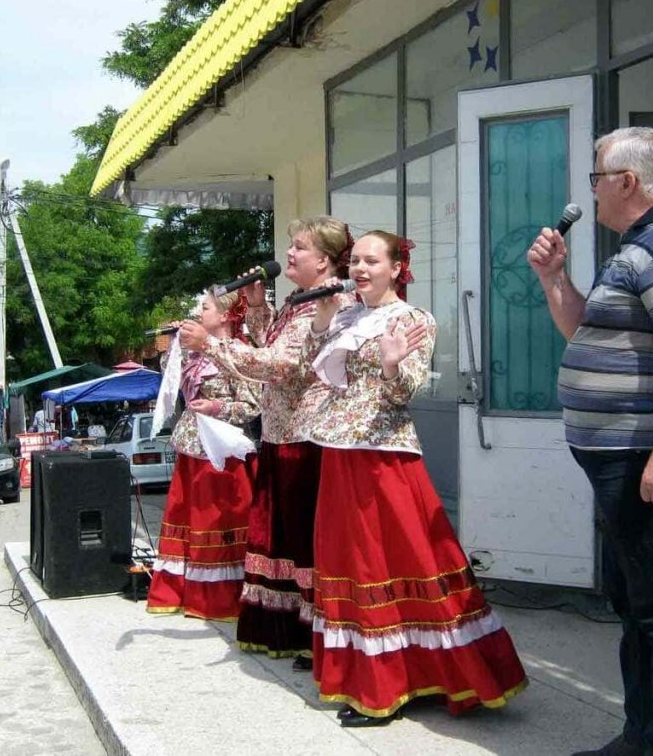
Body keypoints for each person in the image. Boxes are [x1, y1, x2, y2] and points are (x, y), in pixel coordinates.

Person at [527, 127, 653, 756]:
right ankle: (640, 740)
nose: (591, 191)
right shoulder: (634, 247)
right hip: (622, 461)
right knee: (637, 604)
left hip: (649, 460)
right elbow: (583, 329)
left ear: (627, 183)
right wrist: (554, 279)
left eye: (596, 177)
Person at [305, 231, 528, 727]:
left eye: (371, 261)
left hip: (383, 453)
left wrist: (389, 363)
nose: (360, 269)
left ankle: (402, 681)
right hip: (341, 450)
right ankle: (377, 677)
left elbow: (406, 389)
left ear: (395, 268)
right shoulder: (345, 315)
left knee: (394, 558)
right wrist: (323, 318)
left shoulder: (413, 319)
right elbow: (311, 372)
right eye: (355, 261)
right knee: (349, 561)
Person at [179, 216, 355, 668]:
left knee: (304, 543)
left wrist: (212, 344)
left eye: (299, 247)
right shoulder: (298, 301)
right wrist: (258, 309)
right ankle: (296, 630)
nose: (289, 254)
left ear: (325, 260)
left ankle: (315, 633)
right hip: (282, 433)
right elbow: (271, 348)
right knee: (284, 541)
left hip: (307, 438)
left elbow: (281, 366)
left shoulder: (333, 301)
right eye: (291, 246)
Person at [146, 290, 262, 620]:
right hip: (192, 447)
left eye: (205, 307)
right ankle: (182, 592)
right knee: (188, 517)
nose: (199, 312)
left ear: (225, 315)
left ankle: (219, 599)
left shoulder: (239, 352)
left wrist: (216, 406)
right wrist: (176, 342)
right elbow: (170, 384)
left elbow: (252, 405)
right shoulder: (194, 355)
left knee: (217, 519)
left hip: (223, 452)